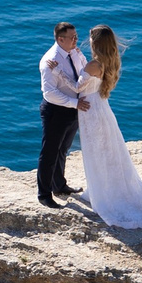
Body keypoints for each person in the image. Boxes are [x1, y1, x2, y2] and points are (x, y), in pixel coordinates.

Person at [72, 26, 142, 229]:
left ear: (95, 42)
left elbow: (76, 87)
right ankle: (107, 189)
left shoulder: (93, 65)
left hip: (91, 112)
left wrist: (57, 71)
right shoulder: (108, 62)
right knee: (107, 151)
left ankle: (104, 194)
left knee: (96, 152)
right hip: (101, 108)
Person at [36, 21, 88, 209]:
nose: (76, 40)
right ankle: (44, 194)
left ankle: (59, 185)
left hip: (74, 109)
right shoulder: (50, 60)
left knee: (63, 149)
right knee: (49, 153)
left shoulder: (74, 52)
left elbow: (83, 72)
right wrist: (75, 103)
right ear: (60, 39)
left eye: (76, 36)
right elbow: (49, 93)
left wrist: (76, 104)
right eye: (72, 37)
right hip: (56, 111)